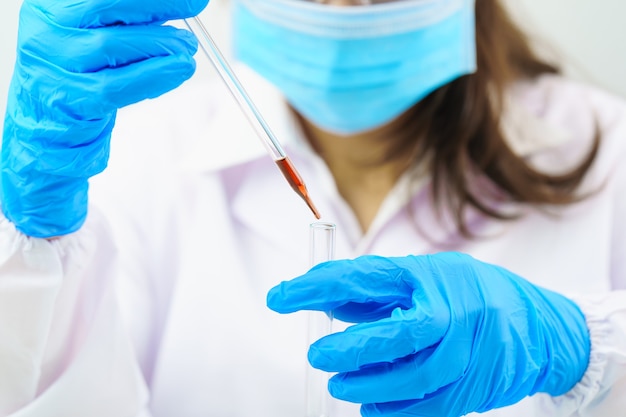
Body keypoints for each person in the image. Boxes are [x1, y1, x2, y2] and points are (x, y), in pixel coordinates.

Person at [0, 0, 624, 416]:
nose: (344, 6)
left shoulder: (607, 150)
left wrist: (583, 349)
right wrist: (34, 244)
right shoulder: (141, 152)